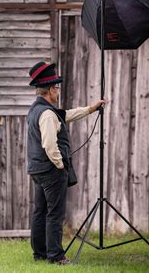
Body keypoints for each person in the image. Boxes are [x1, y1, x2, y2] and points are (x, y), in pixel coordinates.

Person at [26, 61, 105, 265]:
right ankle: (56, 256)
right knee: (55, 213)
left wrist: (91, 109)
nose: (58, 92)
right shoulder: (46, 113)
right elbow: (49, 144)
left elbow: (66, 115)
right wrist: (60, 164)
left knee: (40, 211)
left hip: (38, 169)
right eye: (57, 88)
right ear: (51, 89)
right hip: (51, 170)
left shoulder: (38, 109)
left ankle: (40, 253)